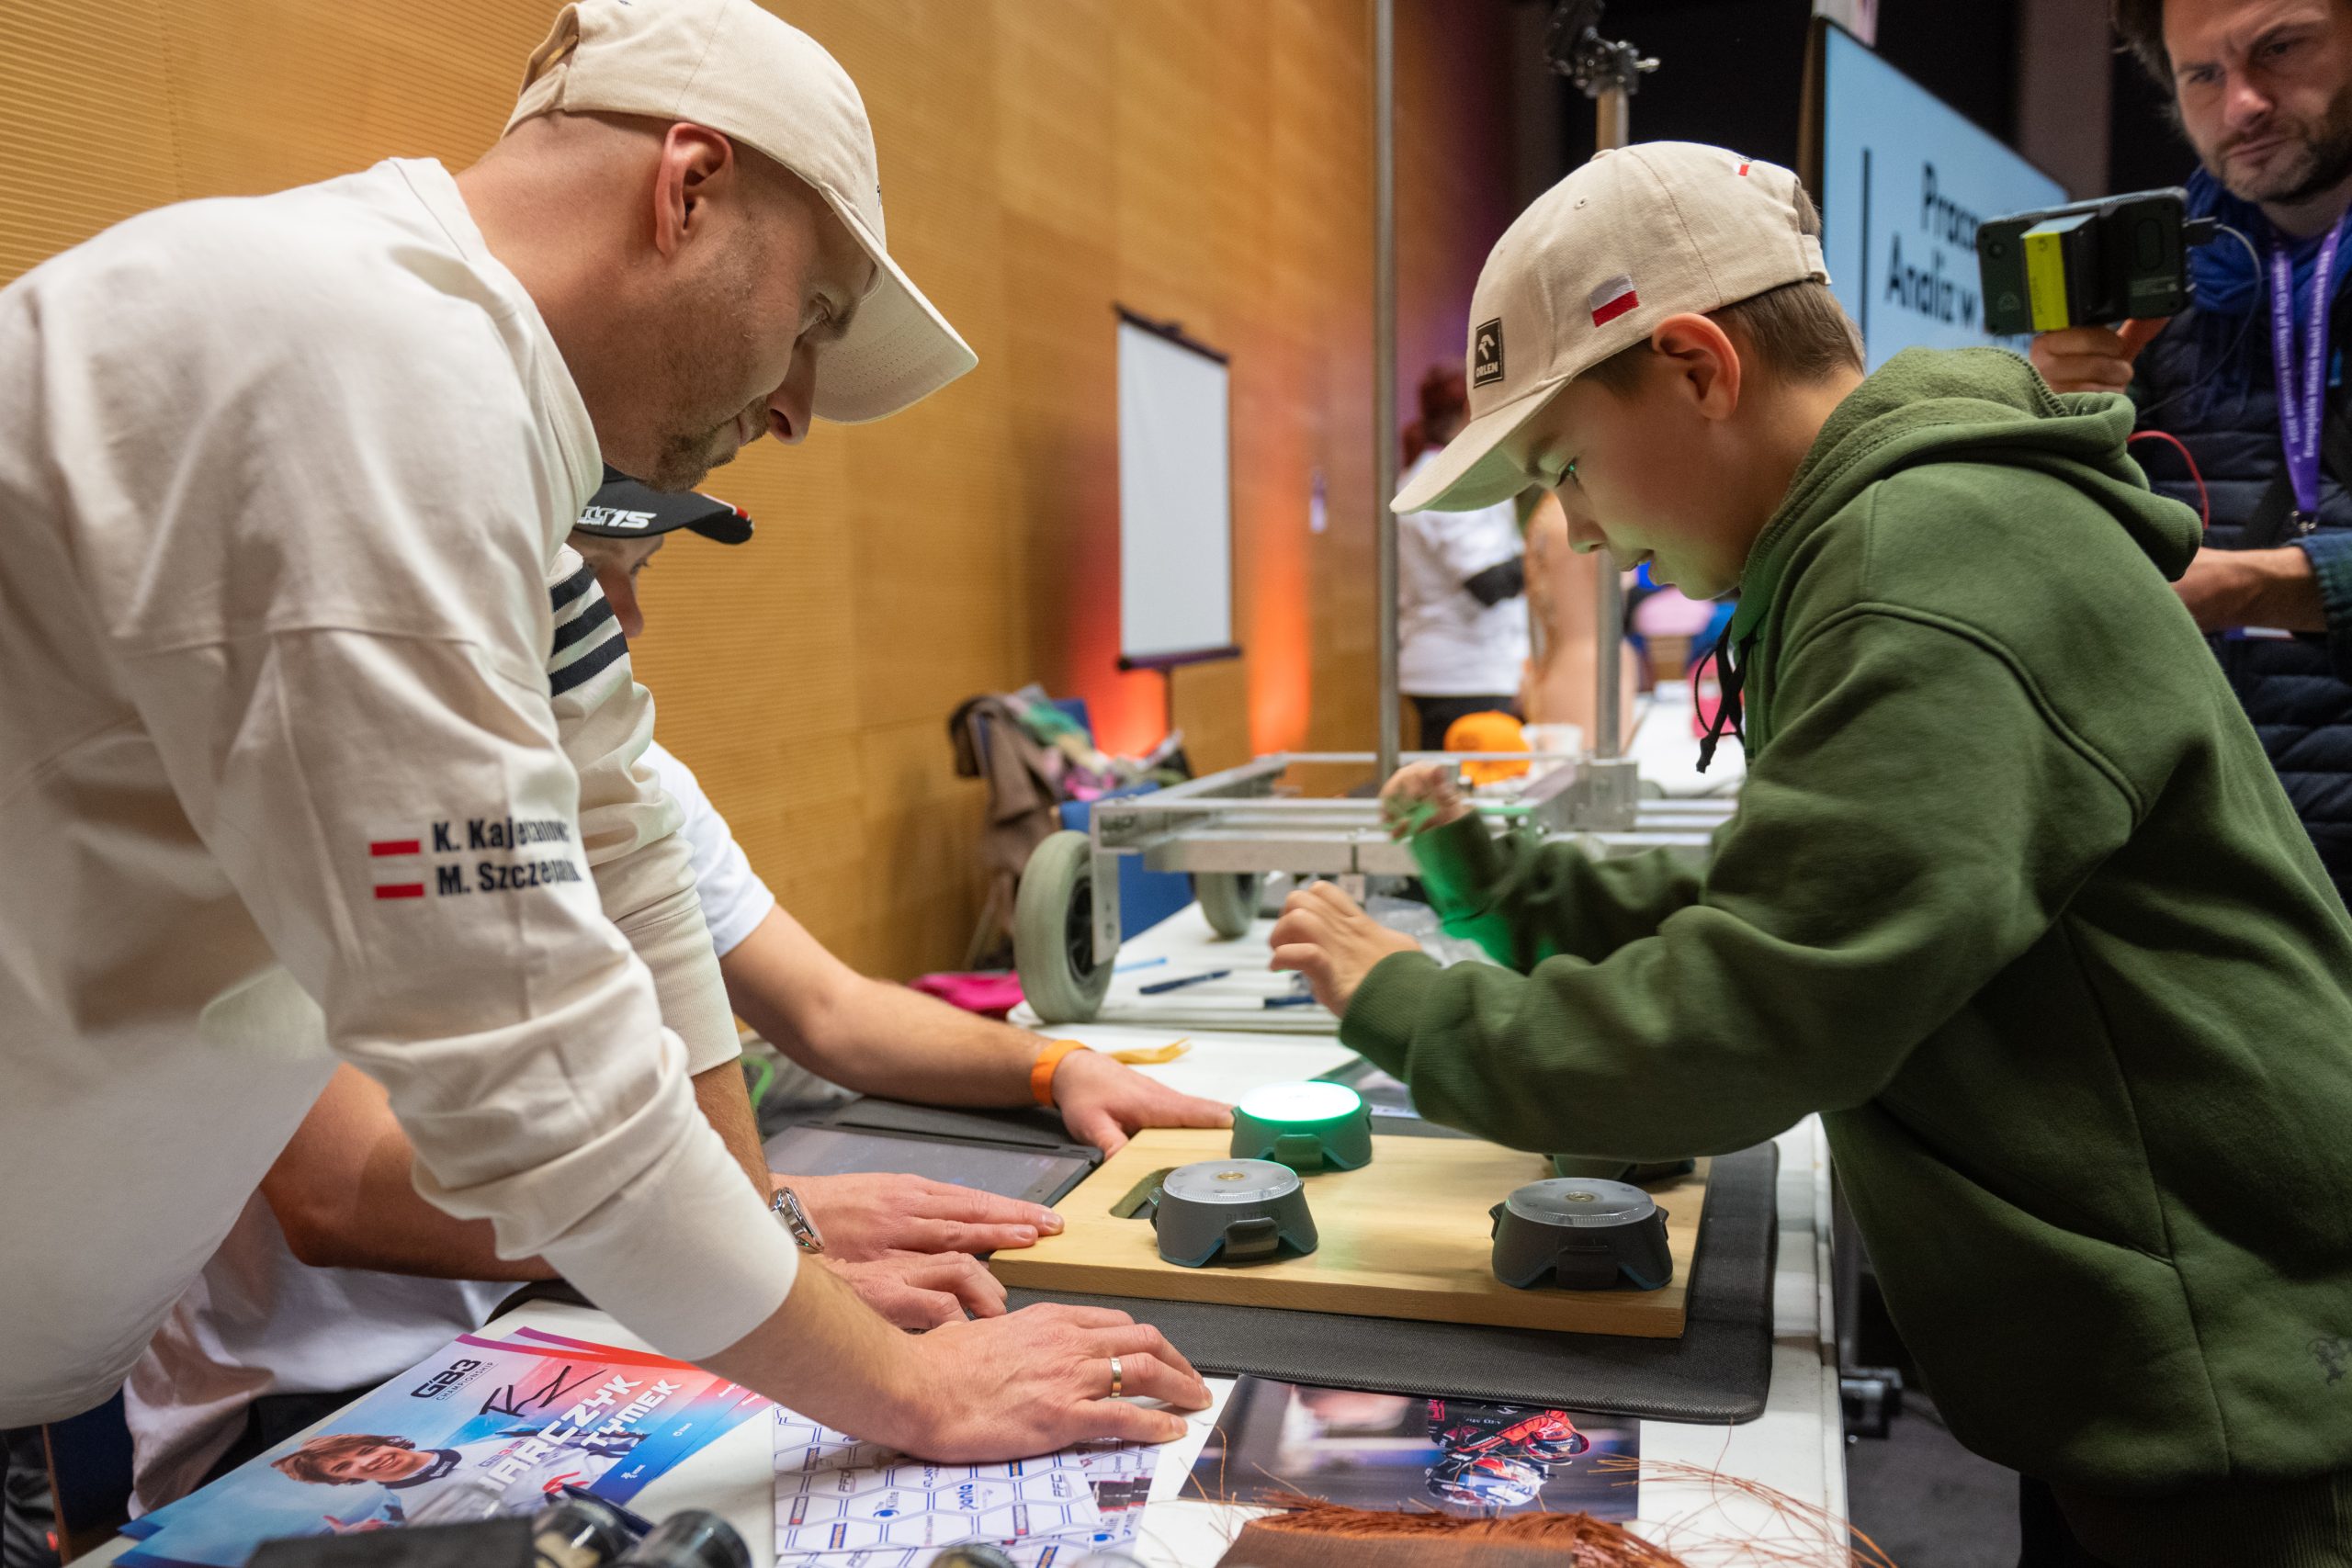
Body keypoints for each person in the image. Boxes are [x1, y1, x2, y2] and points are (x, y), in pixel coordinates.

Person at [0, 0, 1204, 1468]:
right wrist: (915, 1391)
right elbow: (541, 1078)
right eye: (811, 320)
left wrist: (779, 1242)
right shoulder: (354, 359)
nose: (797, 407)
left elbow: (636, 868)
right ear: (688, 185)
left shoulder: (483, 427)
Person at [1269, 142, 2352, 1565]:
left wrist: (1409, 1003)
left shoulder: (1925, 568)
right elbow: (1795, 888)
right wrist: (1505, 881)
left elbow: (1761, 1004)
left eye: (1569, 467)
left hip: (2247, 1389)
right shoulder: (1886, 540)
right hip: (2172, 1351)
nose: (1580, 530)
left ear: (1697, 366)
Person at [122, 476, 1229, 1512]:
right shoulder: (281, 778)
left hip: (572, 1307)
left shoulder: (627, 776)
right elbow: (340, 1197)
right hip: (318, 1401)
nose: (623, 623)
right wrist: (752, 1228)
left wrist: (1052, 1066)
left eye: (635, 574)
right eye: (583, 577)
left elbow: (829, 1008)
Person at [2033, 0, 2352, 903]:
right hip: (2212, 865)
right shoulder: (2157, 290)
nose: (2241, 103)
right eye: (2202, 75)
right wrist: (2058, 418)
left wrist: (2258, 585)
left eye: (2279, 47)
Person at [1397, 366, 1531, 746]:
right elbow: (1489, 582)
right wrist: (1549, 554)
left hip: (1470, 670)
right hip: (1462, 675)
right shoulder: (1443, 478)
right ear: (1470, 408)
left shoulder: (1451, 472)